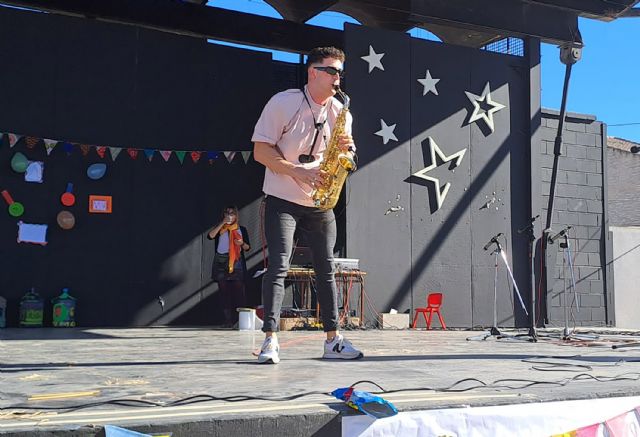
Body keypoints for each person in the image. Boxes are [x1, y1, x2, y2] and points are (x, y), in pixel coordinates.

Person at [251, 46, 363, 364]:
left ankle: (333, 341)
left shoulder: (342, 112)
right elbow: (261, 151)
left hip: (320, 201)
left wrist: (349, 152)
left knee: (326, 270)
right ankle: (270, 341)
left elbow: (348, 157)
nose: (337, 77)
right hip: (282, 198)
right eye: (331, 70)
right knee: (278, 267)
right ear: (313, 72)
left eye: (340, 72)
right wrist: (296, 171)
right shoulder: (283, 103)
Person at [208, 206, 251, 327]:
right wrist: (222, 223)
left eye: (232, 213)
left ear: (236, 216)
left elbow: (248, 248)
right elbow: (210, 236)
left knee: (239, 290)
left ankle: (240, 320)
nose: (229, 215)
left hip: (235, 260)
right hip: (221, 260)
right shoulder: (220, 228)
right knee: (223, 291)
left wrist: (242, 243)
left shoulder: (241, 229)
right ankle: (227, 320)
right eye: (227, 213)